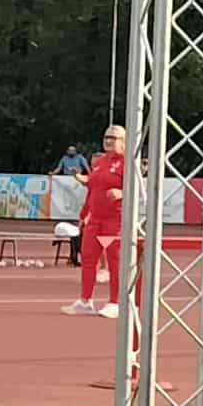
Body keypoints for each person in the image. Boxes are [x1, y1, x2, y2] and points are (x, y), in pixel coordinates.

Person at [64, 123, 127, 317]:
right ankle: (85, 300)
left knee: (115, 262)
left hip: (114, 220)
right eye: (106, 137)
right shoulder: (100, 162)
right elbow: (92, 187)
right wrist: (84, 214)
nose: (108, 141)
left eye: (113, 138)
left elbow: (140, 193)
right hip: (95, 220)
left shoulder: (127, 163)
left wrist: (122, 193)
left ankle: (115, 302)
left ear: (123, 142)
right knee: (88, 259)